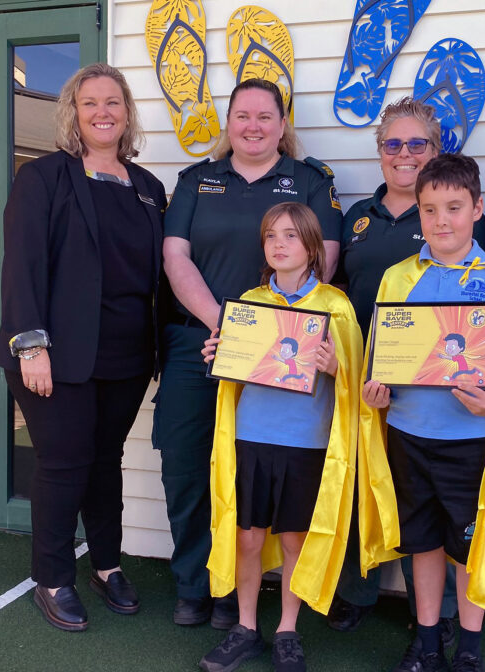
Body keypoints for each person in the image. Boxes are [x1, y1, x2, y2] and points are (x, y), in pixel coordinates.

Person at [155, 78, 343, 627]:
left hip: (286, 348)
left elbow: (324, 260)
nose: (253, 125)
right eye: (242, 115)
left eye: (266, 116)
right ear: (228, 122)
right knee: (187, 463)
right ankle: (196, 584)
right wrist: (229, 326)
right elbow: (174, 257)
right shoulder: (196, 181)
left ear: (283, 125)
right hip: (202, 342)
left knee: (262, 473)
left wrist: (261, 333)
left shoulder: (310, 182)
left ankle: (249, 594)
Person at [0, 63, 166, 631]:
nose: (102, 112)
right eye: (90, 102)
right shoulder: (44, 177)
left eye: (113, 102)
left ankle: (107, 564)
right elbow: (21, 266)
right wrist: (30, 345)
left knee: (103, 465)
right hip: (53, 354)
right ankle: (53, 577)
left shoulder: (147, 189)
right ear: (73, 111)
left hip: (124, 355)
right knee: (64, 465)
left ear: (126, 113)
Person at [358, 153, 485, 672]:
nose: (442, 220)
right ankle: (427, 643)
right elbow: (383, 353)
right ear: (418, 212)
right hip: (409, 433)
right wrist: (378, 395)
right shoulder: (398, 278)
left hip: (471, 440)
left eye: (454, 208)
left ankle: (469, 647)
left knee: (468, 545)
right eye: (430, 209)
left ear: (478, 209)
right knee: (423, 542)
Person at [330, 97, 485, 637]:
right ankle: (358, 591)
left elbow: (484, 317)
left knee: (430, 505)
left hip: (436, 396)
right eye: (392, 144)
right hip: (366, 375)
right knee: (365, 483)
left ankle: (439, 617)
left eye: (416, 144)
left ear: (436, 149)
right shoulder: (356, 216)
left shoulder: (464, 225)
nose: (404, 154)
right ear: (380, 152)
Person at [198, 202, 362, 672]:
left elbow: (359, 378)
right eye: (271, 236)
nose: (279, 244)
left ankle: (287, 628)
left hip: (306, 443)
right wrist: (217, 356)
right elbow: (234, 373)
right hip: (251, 436)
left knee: (294, 539)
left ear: (312, 247)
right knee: (247, 538)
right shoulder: (249, 304)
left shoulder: (335, 306)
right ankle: (246, 626)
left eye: (290, 236)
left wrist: (337, 367)